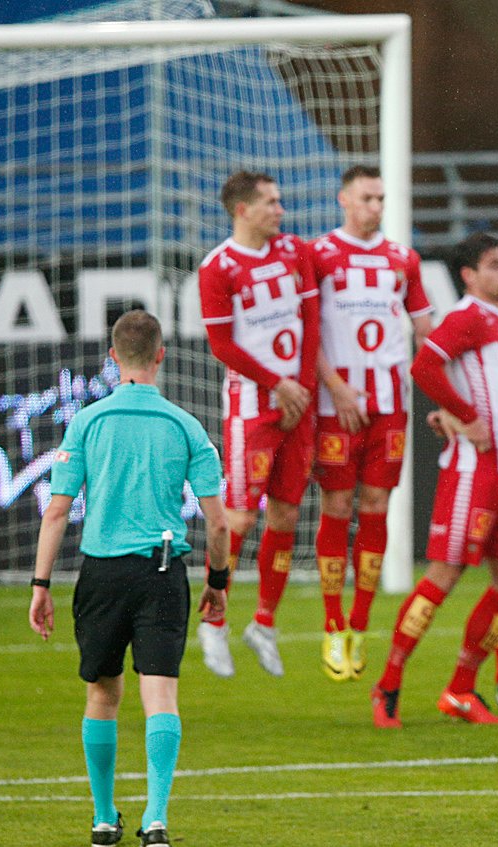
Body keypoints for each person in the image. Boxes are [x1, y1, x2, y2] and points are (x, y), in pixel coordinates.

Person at [28, 310, 230, 847]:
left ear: (112, 358)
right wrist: (218, 580)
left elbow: (57, 511)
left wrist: (40, 583)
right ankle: (156, 820)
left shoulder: (88, 422)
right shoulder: (185, 424)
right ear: (161, 355)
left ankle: (101, 818)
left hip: (101, 571)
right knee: (159, 694)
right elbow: (218, 521)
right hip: (162, 572)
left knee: (102, 693)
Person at [370, 232, 498, 728]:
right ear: (469, 275)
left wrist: (454, 411)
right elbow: (425, 366)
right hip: (473, 472)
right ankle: (388, 685)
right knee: (444, 577)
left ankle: (462, 688)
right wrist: (463, 414)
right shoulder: (465, 318)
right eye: (494, 264)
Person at [309, 165, 435, 681]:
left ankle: (359, 624)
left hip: (389, 406)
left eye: (382, 198)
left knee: (377, 504)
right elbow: (305, 330)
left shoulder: (403, 260)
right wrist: (336, 388)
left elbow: (425, 329)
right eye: (367, 198)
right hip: (335, 404)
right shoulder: (317, 256)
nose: (376, 207)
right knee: (337, 505)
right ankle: (332, 623)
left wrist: (442, 384)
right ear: (344, 199)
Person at [195, 170, 320, 679]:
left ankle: (264, 623)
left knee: (287, 516)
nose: (281, 210)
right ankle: (214, 619)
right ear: (242, 210)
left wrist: (302, 387)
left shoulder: (295, 252)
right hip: (253, 406)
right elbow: (222, 346)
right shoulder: (217, 268)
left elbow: (312, 322)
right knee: (240, 518)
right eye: (271, 202)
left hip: (299, 403)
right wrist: (278, 384)